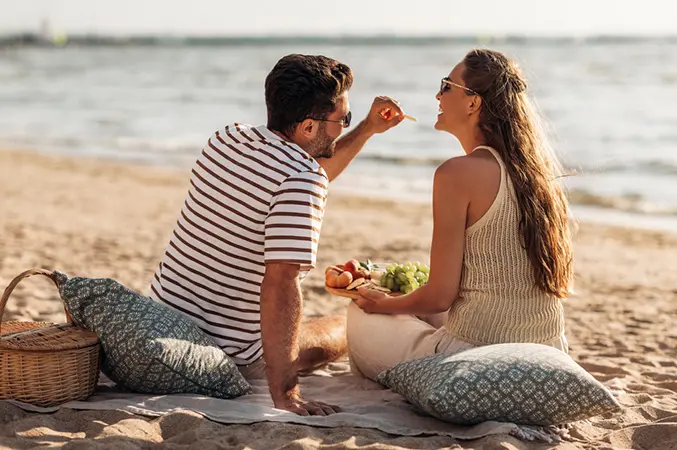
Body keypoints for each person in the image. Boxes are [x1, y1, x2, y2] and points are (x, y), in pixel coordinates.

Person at [149, 54, 405, 415]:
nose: (344, 126)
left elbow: (300, 170)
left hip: (163, 320)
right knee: (348, 327)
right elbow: (281, 284)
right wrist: (287, 394)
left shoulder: (227, 138)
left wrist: (365, 128)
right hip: (231, 353)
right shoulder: (303, 179)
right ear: (307, 128)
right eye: (342, 119)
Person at [348, 48, 574, 381]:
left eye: (447, 86)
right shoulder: (540, 176)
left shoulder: (456, 174)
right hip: (549, 353)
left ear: (473, 102)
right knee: (416, 312)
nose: (437, 95)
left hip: (473, 358)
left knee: (358, 315)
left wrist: (378, 304)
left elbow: (439, 297)